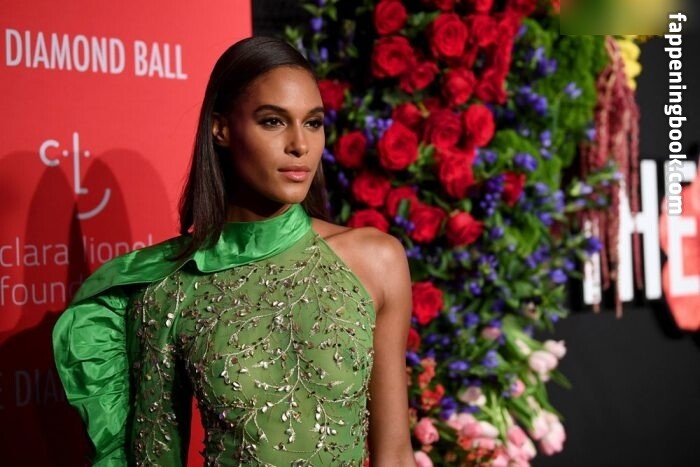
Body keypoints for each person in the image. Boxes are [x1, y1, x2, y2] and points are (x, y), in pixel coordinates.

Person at [53, 36, 416, 466]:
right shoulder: (167, 292)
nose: (300, 145)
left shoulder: (377, 260)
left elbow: (395, 454)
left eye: (313, 122)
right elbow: (155, 457)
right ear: (221, 128)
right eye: (273, 121)